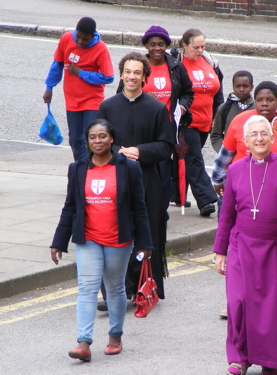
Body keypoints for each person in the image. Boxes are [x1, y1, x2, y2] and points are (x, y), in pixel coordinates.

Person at [214, 115, 277, 375]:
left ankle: (270, 359)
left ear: (272, 138)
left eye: (264, 133)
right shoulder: (235, 169)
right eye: (254, 135)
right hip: (240, 244)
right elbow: (226, 215)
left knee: (269, 307)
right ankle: (240, 357)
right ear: (245, 142)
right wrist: (219, 251)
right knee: (237, 302)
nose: (259, 138)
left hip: (275, 246)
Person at [50, 119, 153, 362]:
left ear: (112, 139)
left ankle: (115, 336)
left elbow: (139, 207)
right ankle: (83, 343)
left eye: (103, 136)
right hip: (88, 239)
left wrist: (145, 243)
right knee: (87, 288)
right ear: (87, 141)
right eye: (93, 137)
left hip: (118, 238)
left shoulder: (128, 167)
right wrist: (58, 241)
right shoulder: (77, 168)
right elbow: (70, 207)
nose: (98, 141)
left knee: (114, 287)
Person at [98, 52, 175, 301]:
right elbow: (96, 142)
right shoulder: (107, 107)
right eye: (128, 72)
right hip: (115, 179)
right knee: (115, 235)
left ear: (145, 78)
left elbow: (166, 146)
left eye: (137, 73)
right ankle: (115, 291)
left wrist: (140, 151)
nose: (132, 77)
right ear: (121, 74)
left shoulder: (156, 108)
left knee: (148, 233)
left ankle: (143, 287)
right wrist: (115, 150)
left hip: (147, 180)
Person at [116, 26, 194, 213]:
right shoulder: (136, 68)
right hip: (142, 129)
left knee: (164, 170)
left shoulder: (176, 67)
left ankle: (161, 210)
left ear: (167, 45)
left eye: (161, 44)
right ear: (146, 46)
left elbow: (188, 92)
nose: (157, 48)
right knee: (143, 169)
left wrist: (182, 105)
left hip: (167, 127)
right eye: (153, 45)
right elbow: (122, 96)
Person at [212, 81, 277, 196]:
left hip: (274, 192)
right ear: (254, 102)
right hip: (239, 187)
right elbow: (225, 156)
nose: (264, 104)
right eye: (259, 100)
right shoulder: (239, 121)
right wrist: (217, 180)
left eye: (270, 100)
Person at [43, 17, 114, 161]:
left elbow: (108, 77)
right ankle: (81, 169)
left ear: (93, 36)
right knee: (75, 140)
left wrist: (81, 73)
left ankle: (92, 169)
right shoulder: (66, 39)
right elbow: (57, 65)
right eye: (79, 37)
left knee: (92, 138)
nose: (81, 41)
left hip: (93, 101)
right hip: (72, 100)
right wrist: (49, 87)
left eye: (85, 39)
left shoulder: (100, 48)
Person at [170, 28, 222, 216]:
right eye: (196, 47)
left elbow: (218, 90)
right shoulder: (176, 64)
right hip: (185, 122)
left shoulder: (210, 61)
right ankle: (206, 199)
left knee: (184, 158)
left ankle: (175, 193)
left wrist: (218, 115)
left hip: (205, 122)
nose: (200, 50)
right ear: (184, 45)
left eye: (203, 46)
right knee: (194, 159)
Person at [210, 70, 255, 154]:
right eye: (238, 86)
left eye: (245, 86)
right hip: (230, 155)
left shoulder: (257, 109)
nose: (241, 89)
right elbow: (216, 135)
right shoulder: (224, 108)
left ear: (252, 87)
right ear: (233, 87)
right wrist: (224, 151)